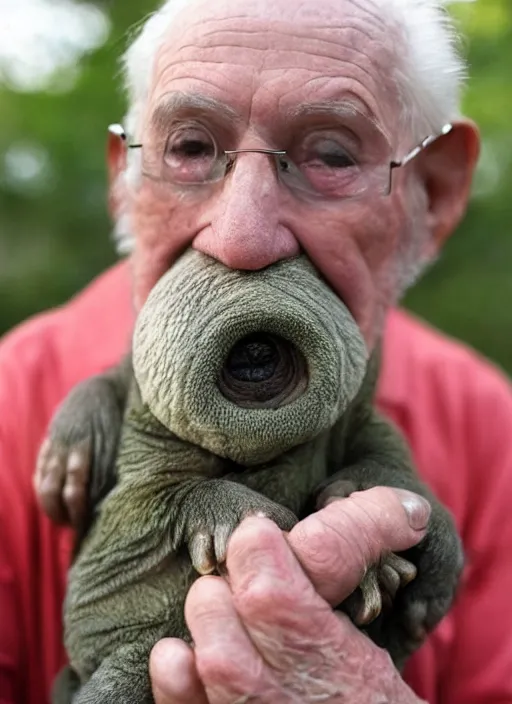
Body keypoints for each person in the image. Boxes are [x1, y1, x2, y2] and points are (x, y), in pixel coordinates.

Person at [1, 0, 511, 702]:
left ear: (435, 192)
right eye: (189, 148)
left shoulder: (489, 433)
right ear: (127, 184)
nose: (242, 238)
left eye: (331, 154)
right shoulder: (10, 405)